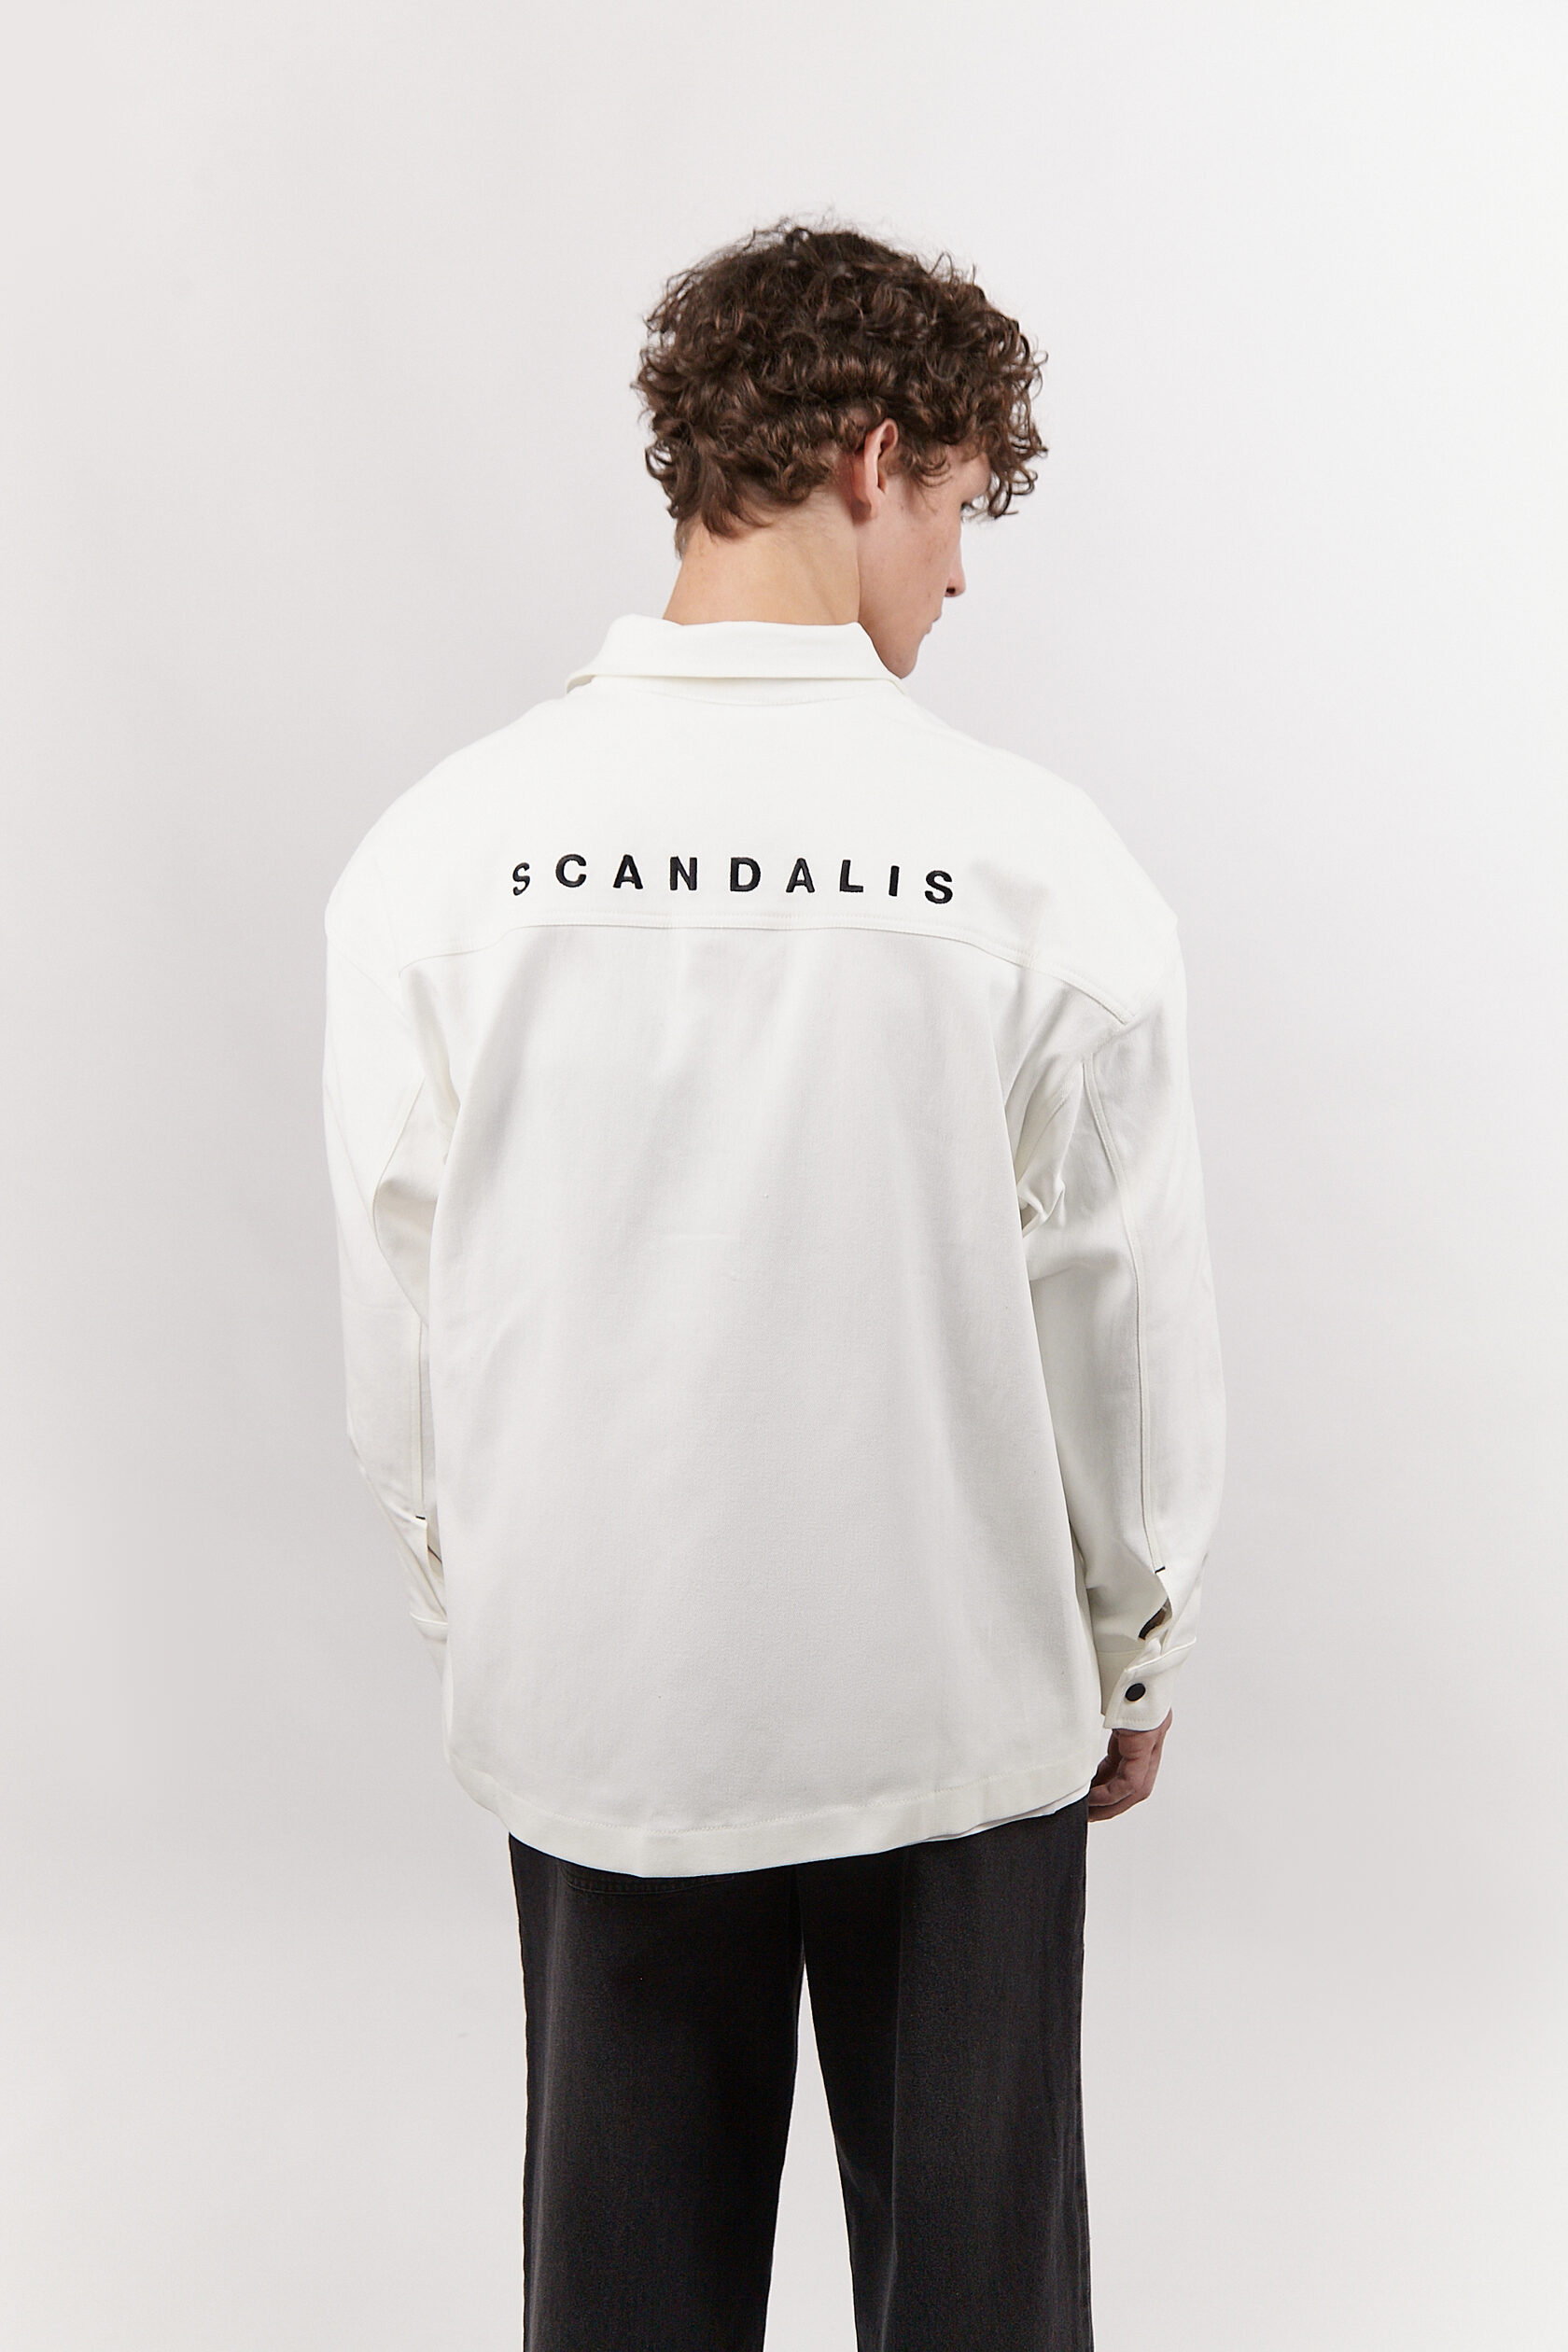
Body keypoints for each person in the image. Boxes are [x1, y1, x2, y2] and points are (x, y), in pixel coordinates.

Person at [321, 217, 1225, 2352]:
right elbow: (1117, 1307)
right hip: (956, 1710)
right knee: (980, 2303)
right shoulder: (1035, 864)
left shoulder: (443, 854)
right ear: (871, 457)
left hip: (607, 1703)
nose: (962, 577)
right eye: (962, 507)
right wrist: (1138, 1646)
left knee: (624, 2296)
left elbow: (404, 1308)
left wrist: (489, 1605)